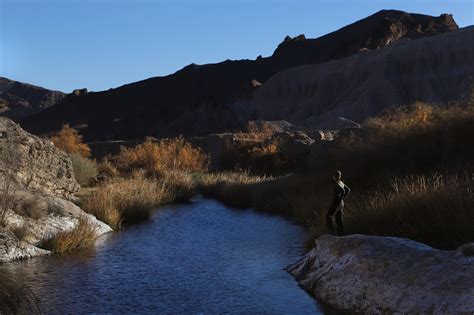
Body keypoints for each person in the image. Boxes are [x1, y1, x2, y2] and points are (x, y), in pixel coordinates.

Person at [326, 170, 350, 235]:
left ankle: (331, 232)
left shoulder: (337, 183)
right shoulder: (341, 182)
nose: (333, 177)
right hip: (341, 203)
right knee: (338, 218)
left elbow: (344, 191)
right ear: (340, 176)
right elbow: (348, 190)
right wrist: (343, 198)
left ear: (334, 176)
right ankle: (341, 234)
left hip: (337, 202)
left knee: (329, 216)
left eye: (333, 175)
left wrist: (340, 198)